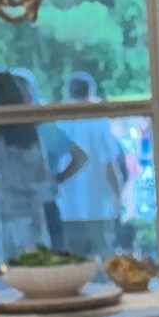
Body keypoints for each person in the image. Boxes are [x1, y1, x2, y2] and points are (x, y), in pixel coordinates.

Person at [0, 67, 78, 270]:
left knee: (2, 275)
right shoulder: (31, 131)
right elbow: (42, 173)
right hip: (32, 213)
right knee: (36, 270)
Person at [8, 67, 84, 250]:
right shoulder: (46, 129)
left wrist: (58, 177)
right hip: (35, 205)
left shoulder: (44, 130)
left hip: (35, 206)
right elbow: (80, 157)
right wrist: (58, 178)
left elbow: (80, 157)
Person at [55, 71, 128, 259]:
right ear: (90, 92)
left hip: (67, 208)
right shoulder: (98, 122)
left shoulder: (60, 122)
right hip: (99, 207)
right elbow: (109, 166)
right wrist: (118, 195)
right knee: (106, 264)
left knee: (71, 266)